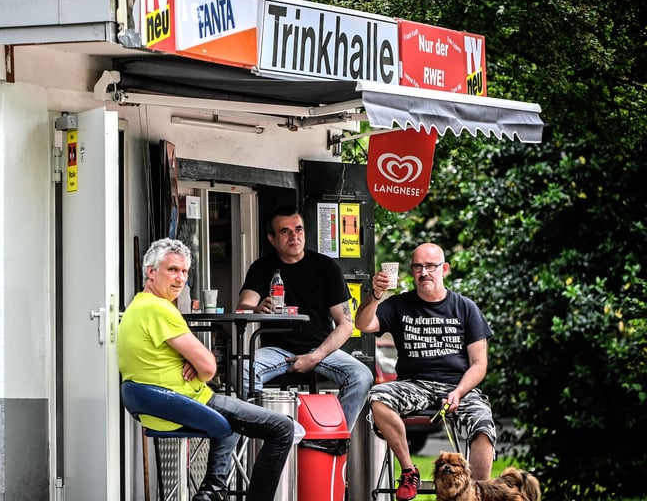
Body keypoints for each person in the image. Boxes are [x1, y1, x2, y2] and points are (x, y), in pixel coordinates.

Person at [118, 238, 295, 501]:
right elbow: (209, 366)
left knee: (236, 413)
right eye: (172, 270)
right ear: (151, 272)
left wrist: (192, 360)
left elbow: (196, 361)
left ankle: (212, 490)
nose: (180, 279)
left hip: (157, 405)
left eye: (185, 272)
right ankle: (217, 490)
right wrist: (198, 363)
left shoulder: (136, 307)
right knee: (282, 427)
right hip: (183, 401)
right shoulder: (159, 309)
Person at [355, 243, 497, 501]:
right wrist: (375, 296)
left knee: (483, 423)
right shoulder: (399, 304)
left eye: (430, 266)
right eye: (418, 266)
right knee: (378, 397)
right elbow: (363, 324)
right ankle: (409, 471)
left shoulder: (466, 308)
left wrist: (458, 392)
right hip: (414, 384)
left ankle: (478, 494)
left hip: (458, 386)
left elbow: (479, 364)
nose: (424, 273)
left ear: (444, 269)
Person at [236, 205, 373, 431]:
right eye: (285, 231)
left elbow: (346, 324)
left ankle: (332, 438)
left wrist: (315, 357)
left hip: (320, 348)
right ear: (272, 239)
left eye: (298, 229)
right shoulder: (262, 267)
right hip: (276, 350)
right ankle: (269, 431)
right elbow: (243, 305)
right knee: (240, 368)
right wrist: (258, 307)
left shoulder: (326, 267)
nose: (294, 236)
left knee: (361, 376)